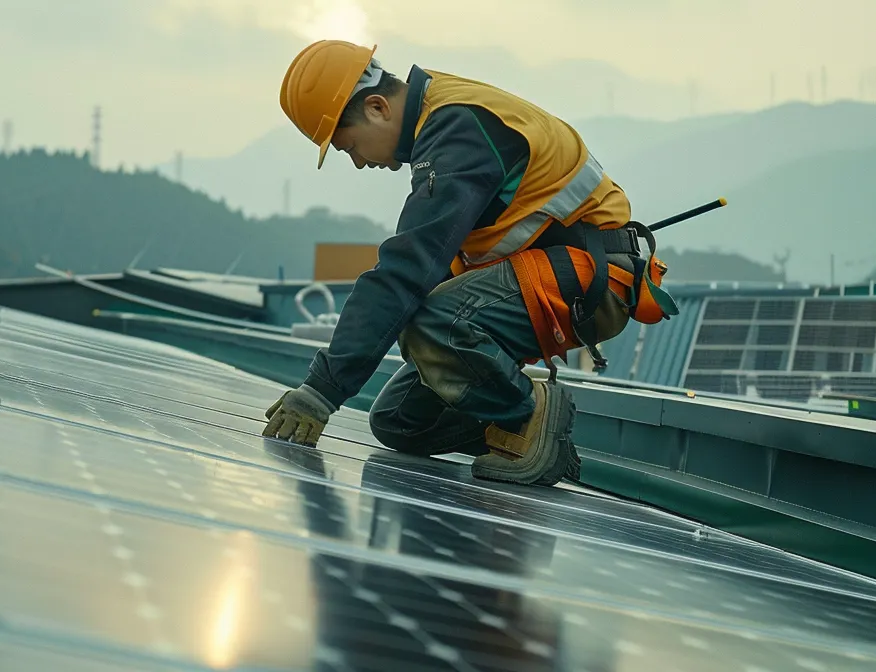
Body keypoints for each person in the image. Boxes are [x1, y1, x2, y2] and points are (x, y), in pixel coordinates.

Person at [262, 40, 678, 486]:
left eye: (349, 147)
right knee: (399, 421)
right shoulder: (443, 116)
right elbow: (424, 274)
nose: (360, 162)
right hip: (546, 277)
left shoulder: (457, 128)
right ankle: (529, 436)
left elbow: (406, 269)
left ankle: (530, 416)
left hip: (592, 280)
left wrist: (323, 389)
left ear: (378, 107)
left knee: (432, 323)